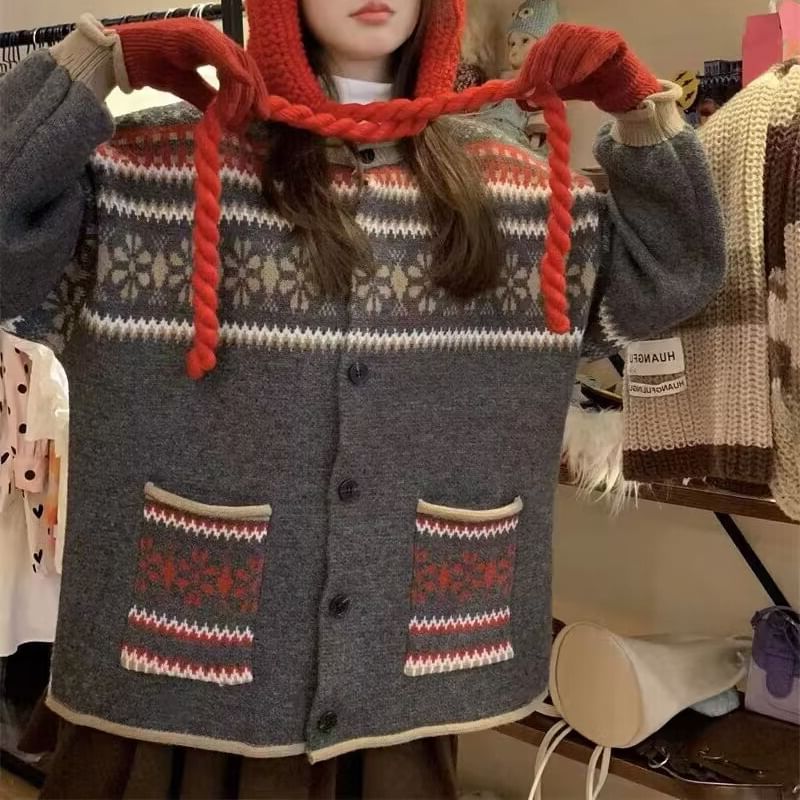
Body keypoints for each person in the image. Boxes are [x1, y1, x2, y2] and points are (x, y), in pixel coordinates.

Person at [0, 0, 724, 796]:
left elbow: (671, 280)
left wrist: (639, 106)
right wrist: (91, 65)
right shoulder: (149, 166)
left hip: (396, 684)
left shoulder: (513, 188)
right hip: (170, 676)